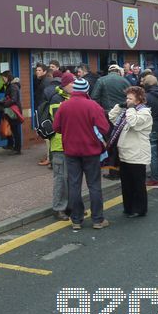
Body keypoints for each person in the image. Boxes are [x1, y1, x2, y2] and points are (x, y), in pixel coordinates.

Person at [53, 77, 111, 231]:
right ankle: (98, 219)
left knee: (74, 185)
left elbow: (56, 127)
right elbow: (104, 128)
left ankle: (76, 220)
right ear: (86, 90)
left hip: (71, 151)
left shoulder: (64, 106)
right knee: (94, 185)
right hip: (91, 151)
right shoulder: (93, 105)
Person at [108, 86, 153, 218]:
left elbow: (133, 123)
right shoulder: (127, 111)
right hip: (124, 153)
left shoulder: (145, 113)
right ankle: (128, 207)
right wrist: (119, 106)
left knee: (137, 184)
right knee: (126, 184)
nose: (127, 101)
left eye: (130, 98)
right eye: (126, 98)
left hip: (137, 153)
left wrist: (131, 108)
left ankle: (140, 209)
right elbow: (111, 117)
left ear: (139, 100)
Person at [47, 72, 74, 220]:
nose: (74, 85)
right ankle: (58, 208)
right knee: (60, 178)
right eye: (72, 83)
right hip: (59, 145)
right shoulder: (57, 99)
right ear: (65, 85)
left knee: (71, 178)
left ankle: (70, 206)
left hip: (71, 143)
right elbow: (59, 121)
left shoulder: (70, 98)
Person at [0, 70, 23, 155]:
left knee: (15, 130)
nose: (3, 80)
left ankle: (17, 148)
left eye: (3, 78)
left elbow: (13, 99)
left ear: (7, 78)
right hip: (11, 111)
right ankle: (11, 145)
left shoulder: (13, 86)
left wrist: (4, 103)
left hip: (13, 112)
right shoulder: (10, 85)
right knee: (11, 128)